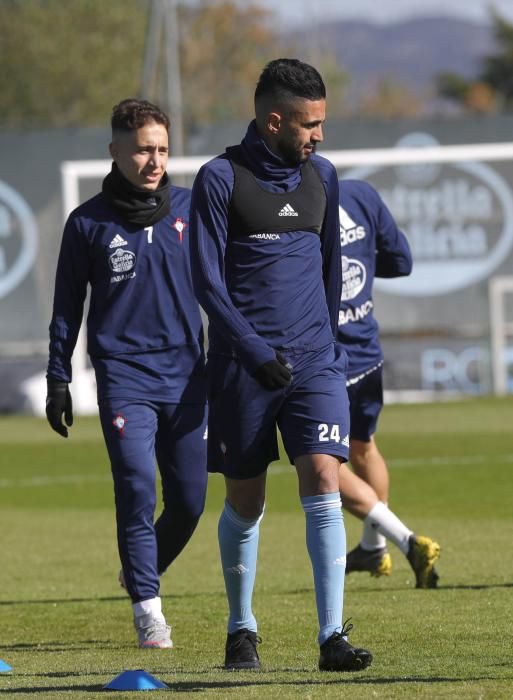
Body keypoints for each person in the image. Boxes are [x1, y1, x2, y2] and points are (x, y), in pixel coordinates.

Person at [189, 58, 372, 673]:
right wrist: (254, 350)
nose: (319, 135)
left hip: (317, 363)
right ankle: (241, 630)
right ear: (274, 120)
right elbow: (206, 283)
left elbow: (326, 274)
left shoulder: (323, 176)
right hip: (244, 369)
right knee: (246, 499)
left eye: (322, 123)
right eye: (310, 124)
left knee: (323, 474)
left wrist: (326, 348)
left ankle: (331, 638)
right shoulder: (219, 178)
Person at [46, 98, 208, 648]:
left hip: (188, 376)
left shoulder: (193, 210)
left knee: (189, 500)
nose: (155, 159)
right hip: (124, 376)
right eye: (143, 149)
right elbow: (67, 305)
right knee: (137, 485)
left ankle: (140, 567)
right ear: (116, 151)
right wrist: (58, 377)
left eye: (162, 149)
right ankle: (148, 608)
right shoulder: (87, 222)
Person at [335, 179, 440, 588]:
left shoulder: (294, 205)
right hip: (366, 351)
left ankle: (407, 540)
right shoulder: (360, 194)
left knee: (319, 463)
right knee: (364, 447)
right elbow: (402, 261)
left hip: (325, 358)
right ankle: (373, 548)